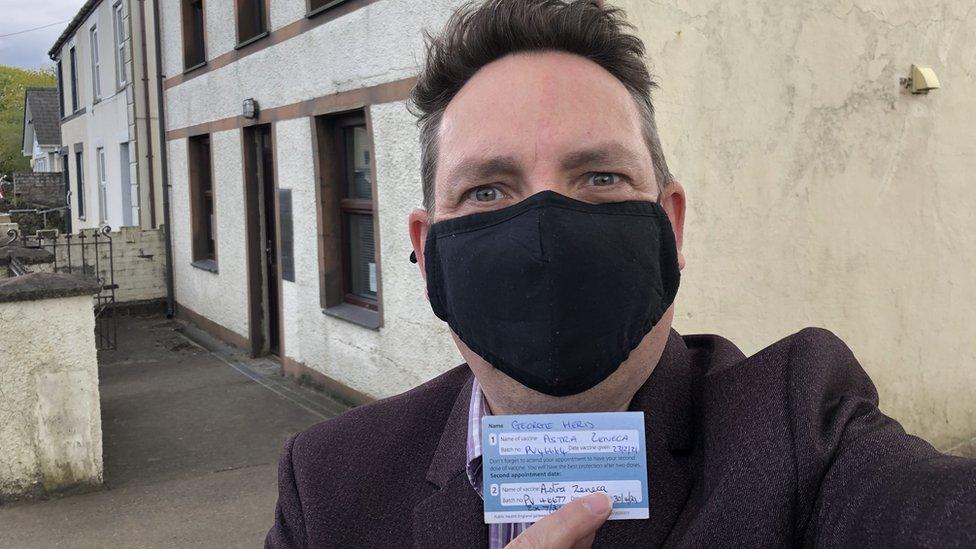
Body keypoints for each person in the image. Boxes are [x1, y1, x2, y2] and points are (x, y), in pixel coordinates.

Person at [265, 1, 976, 547]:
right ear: (428, 250)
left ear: (671, 226)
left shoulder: (796, 430)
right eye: (487, 190)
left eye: (600, 177)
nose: (545, 234)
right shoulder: (330, 485)